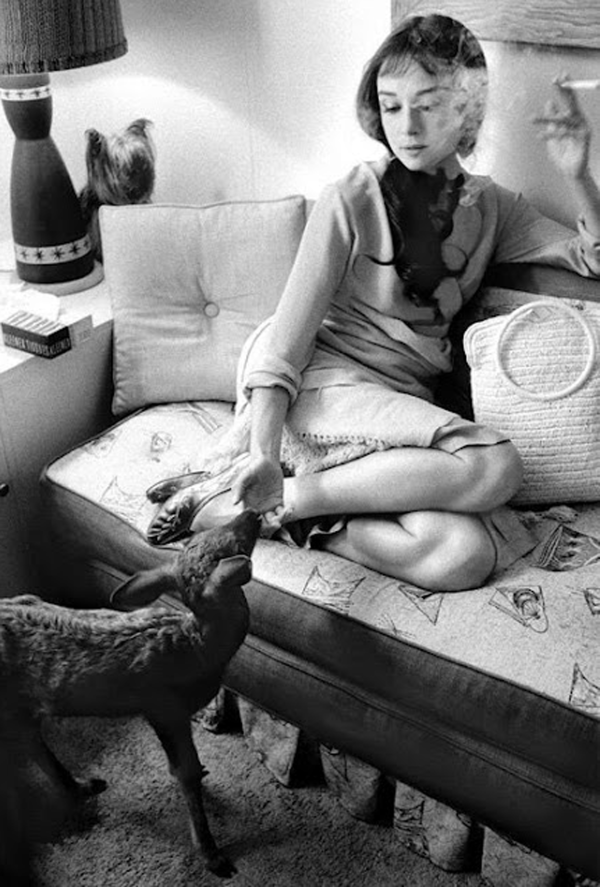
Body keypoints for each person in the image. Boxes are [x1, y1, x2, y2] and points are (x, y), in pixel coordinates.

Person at [147, 14, 600, 591]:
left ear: (467, 111)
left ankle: (258, 512)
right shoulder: (351, 197)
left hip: (398, 405)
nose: (407, 126)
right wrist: (262, 450)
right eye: (391, 106)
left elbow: (591, 259)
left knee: (462, 555)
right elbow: (285, 344)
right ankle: (282, 493)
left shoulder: (493, 207)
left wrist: (578, 174)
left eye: (428, 105)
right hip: (324, 384)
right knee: (495, 463)